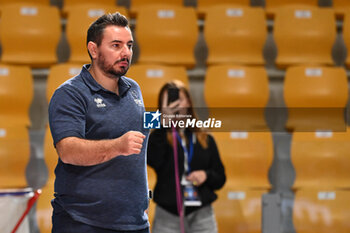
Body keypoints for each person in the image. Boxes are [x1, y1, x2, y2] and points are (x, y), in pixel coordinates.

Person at [48, 12, 150, 233]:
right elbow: (68, 151)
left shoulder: (134, 89)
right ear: (93, 50)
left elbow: (140, 124)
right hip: (82, 223)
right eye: (116, 45)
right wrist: (117, 146)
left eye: (129, 45)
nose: (126, 53)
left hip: (135, 223)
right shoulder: (70, 94)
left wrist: (181, 118)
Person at [147, 80, 226, 233]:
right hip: (168, 215)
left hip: (201, 214)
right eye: (170, 101)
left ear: (189, 102)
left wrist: (206, 175)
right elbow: (153, 160)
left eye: (179, 100)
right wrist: (163, 122)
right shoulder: (158, 137)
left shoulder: (205, 138)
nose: (175, 105)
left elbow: (220, 178)